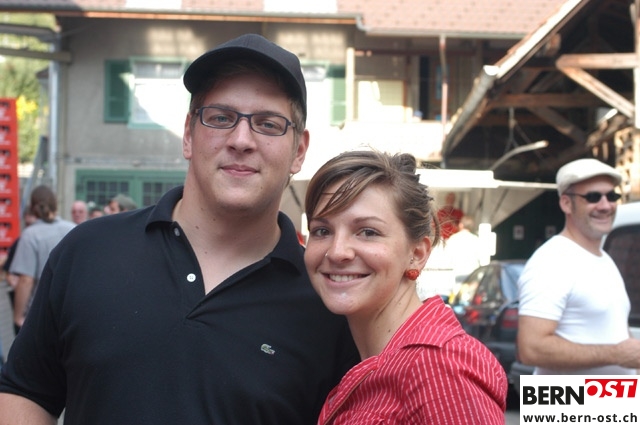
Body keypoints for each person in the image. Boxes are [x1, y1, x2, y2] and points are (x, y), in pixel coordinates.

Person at [0, 34, 358, 425]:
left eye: (268, 124)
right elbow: (25, 391)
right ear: (188, 134)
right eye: (220, 118)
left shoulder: (329, 303)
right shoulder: (88, 251)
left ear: (299, 151)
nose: (241, 140)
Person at [304, 150, 507, 424]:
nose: (337, 251)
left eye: (368, 232)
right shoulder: (379, 357)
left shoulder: (438, 366)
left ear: (417, 254)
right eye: (322, 231)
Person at [517, 158, 640, 375]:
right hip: (567, 398)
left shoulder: (604, 259)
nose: (605, 206)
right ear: (566, 203)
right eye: (593, 197)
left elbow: (618, 335)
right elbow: (531, 348)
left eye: (611, 196)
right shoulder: (552, 260)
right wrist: (616, 355)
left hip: (614, 397)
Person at [8, 186, 75, 334]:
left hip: (40, 317)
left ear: (33, 207)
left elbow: (26, 280)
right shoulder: (73, 229)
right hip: (70, 313)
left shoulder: (30, 235)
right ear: (55, 204)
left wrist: (18, 317)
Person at [1, 206, 37, 334]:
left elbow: (26, 279)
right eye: (27, 224)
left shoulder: (33, 239)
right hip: (25, 305)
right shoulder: (21, 242)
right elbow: (9, 271)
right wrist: (15, 281)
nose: (29, 228)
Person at [445, 214, 486, 284]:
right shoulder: (476, 240)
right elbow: (482, 258)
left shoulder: (453, 239)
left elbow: (447, 257)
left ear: (461, 225)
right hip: (473, 275)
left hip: (457, 274)